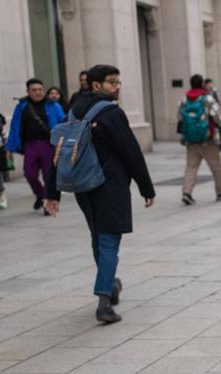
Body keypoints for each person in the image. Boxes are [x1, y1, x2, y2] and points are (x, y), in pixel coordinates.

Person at [43, 64, 155, 324]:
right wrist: (146, 187)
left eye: (118, 82)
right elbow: (131, 152)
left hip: (83, 185)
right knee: (108, 241)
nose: (117, 87)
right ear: (96, 85)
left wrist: (52, 192)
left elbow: (58, 151)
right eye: (111, 82)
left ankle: (111, 282)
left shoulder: (74, 110)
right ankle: (104, 301)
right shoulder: (112, 114)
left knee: (98, 236)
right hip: (110, 185)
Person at [6, 78, 64, 212]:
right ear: (28, 91)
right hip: (30, 145)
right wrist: (9, 147)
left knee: (48, 175)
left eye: (40, 90)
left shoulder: (53, 105)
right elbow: (14, 127)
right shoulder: (22, 106)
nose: (38, 92)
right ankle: (41, 195)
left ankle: (47, 204)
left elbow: (63, 122)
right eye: (34, 90)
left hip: (48, 145)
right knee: (29, 174)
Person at [178, 73, 221, 205]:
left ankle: (187, 192)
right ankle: (220, 190)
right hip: (208, 139)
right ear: (202, 84)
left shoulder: (184, 99)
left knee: (191, 167)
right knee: (216, 167)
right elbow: (218, 116)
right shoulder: (207, 98)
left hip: (191, 140)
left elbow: (180, 117)